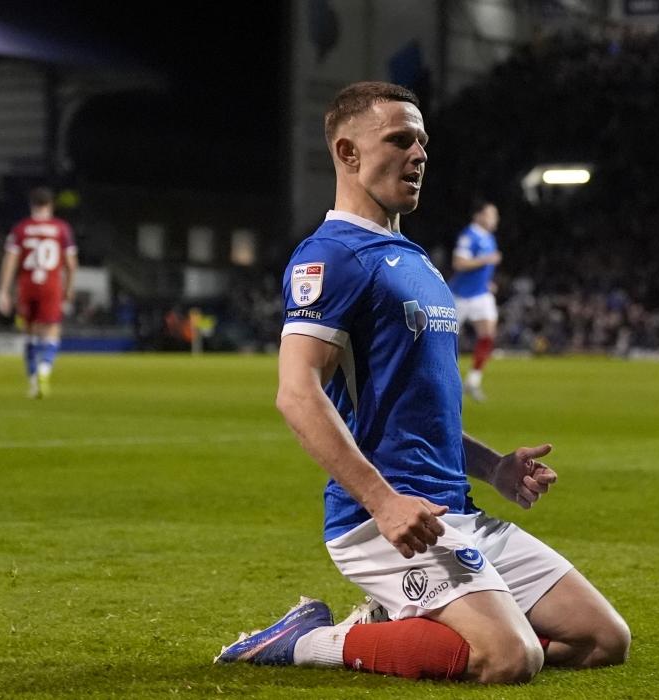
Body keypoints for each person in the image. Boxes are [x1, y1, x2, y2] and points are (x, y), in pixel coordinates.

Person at [215, 82, 629, 684]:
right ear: (348, 152)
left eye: (423, 143)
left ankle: (412, 623)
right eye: (400, 140)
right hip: (385, 520)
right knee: (510, 657)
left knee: (603, 639)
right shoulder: (331, 257)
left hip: (454, 509)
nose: (419, 154)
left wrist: (493, 468)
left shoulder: (414, 259)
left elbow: (417, 408)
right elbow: (296, 393)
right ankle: (308, 641)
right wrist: (382, 502)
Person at [0, 187, 78, 398]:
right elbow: (71, 264)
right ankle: (44, 369)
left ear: (31, 205)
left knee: (29, 333)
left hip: (27, 284)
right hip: (51, 285)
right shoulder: (61, 228)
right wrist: (69, 288)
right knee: (52, 331)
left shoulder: (21, 229)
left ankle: (33, 381)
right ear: (51, 205)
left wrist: (4, 291)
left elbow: (10, 261)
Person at [448, 200, 501, 401]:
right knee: (444, 339)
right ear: (478, 216)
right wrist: (486, 260)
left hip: (480, 294)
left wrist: (487, 282)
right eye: (491, 214)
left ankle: (473, 380)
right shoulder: (469, 236)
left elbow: (481, 270)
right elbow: (459, 263)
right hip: (460, 296)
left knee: (488, 335)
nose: (495, 219)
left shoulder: (489, 238)